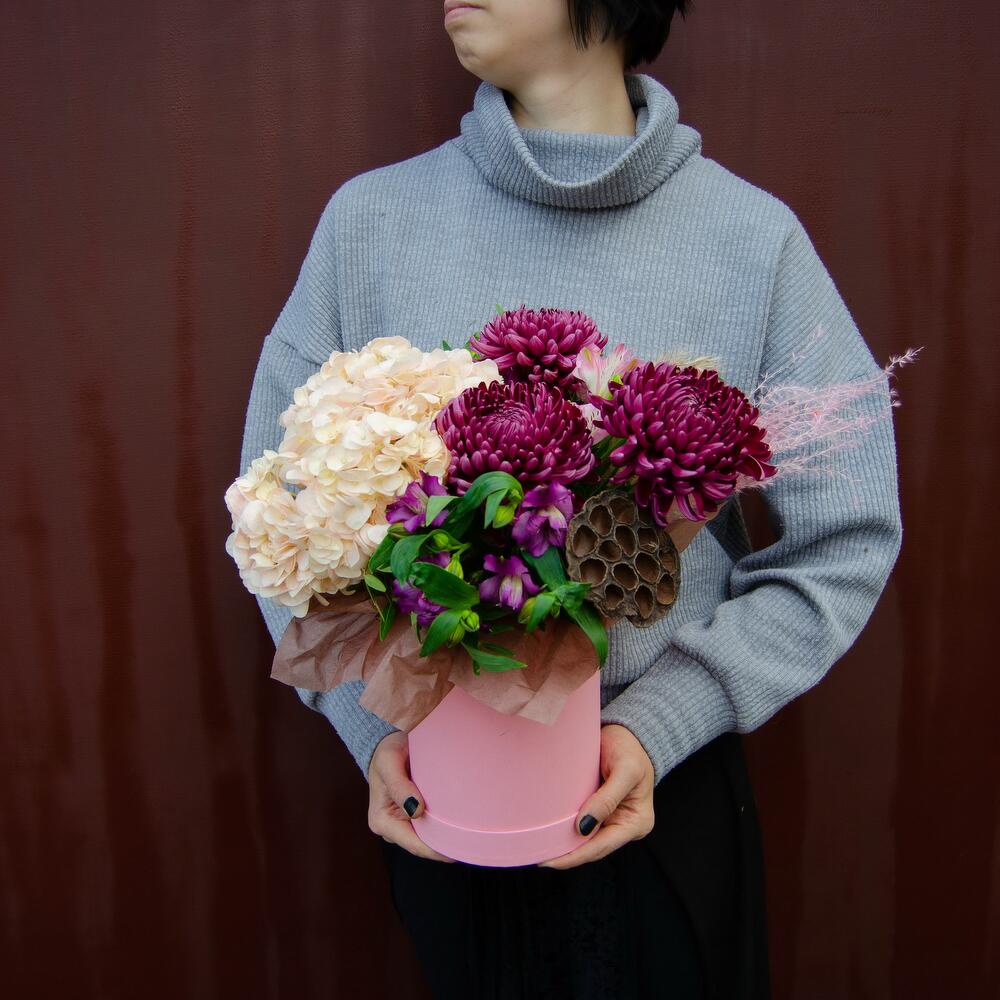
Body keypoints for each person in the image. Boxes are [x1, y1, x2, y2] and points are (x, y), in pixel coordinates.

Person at [237, 1, 903, 996]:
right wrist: (375, 729)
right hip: (442, 800)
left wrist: (665, 720)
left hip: (664, 805)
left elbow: (844, 538)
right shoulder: (370, 225)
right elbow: (276, 513)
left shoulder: (750, 240)